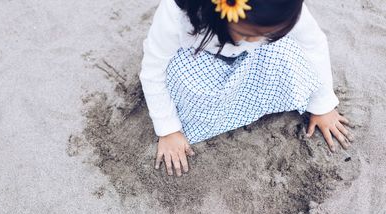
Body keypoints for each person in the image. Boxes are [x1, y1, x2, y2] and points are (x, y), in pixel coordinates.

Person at [139, 0, 354, 177]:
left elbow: (313, 44)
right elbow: (153, 69)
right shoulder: (180, 15)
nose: (257, 40)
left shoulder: (282, 9)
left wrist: (323, 104)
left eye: (270, 34)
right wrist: (168, 130)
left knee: (290, 50)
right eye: (248, 35)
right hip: (200, 67)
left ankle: (253, 100)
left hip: (253, 63)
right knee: (176, 75)